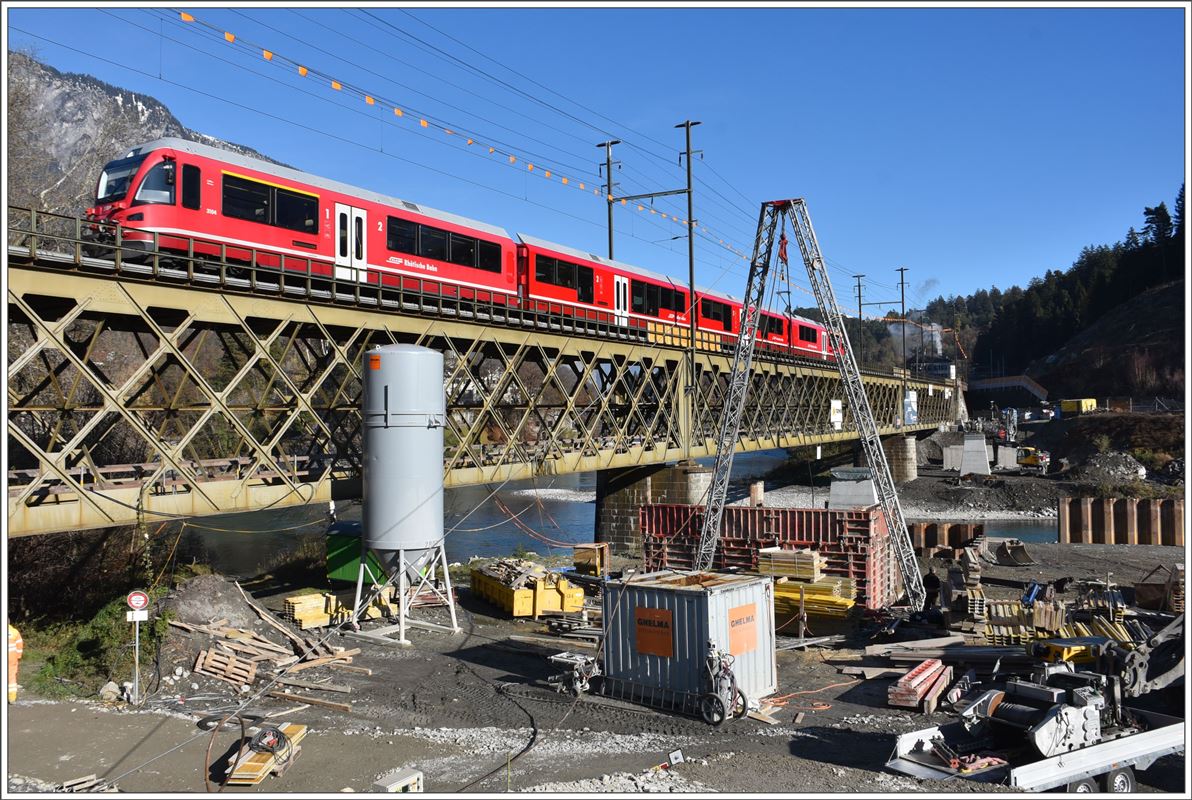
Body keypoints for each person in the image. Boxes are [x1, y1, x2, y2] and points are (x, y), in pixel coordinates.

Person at [8, 622, 24, 703]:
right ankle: (12, 698)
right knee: (11, 678)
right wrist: (18, 656)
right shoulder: (14, 632)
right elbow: (19, 645)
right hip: (12, 658)